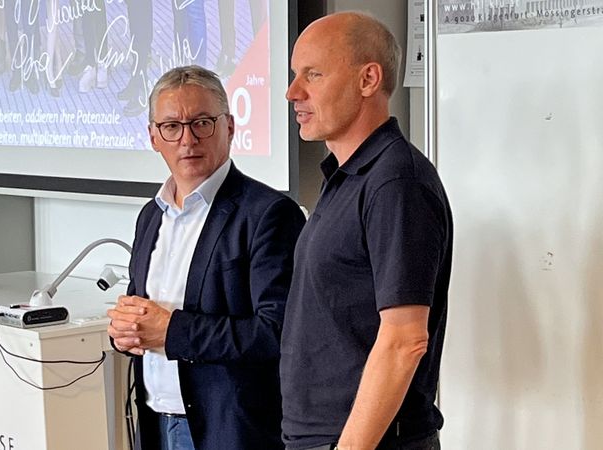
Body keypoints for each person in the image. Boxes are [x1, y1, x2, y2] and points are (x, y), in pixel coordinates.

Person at [107, 65, 305, 450]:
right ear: (153, 137)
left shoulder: (268, 214)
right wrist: (125, 330)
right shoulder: (151, 215)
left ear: (229, 127)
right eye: (172, 126)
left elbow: (278, 333)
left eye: (202, 123)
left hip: (230, 432)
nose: (188, 139)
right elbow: (144, 310)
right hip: (156, 423)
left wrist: (172, 332)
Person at [280, 12, 453, 450]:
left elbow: (404, 339)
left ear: (368, 79)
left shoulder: (396, 181)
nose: (293, 92)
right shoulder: (347, 176)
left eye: (313, 75)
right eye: (295, 75)